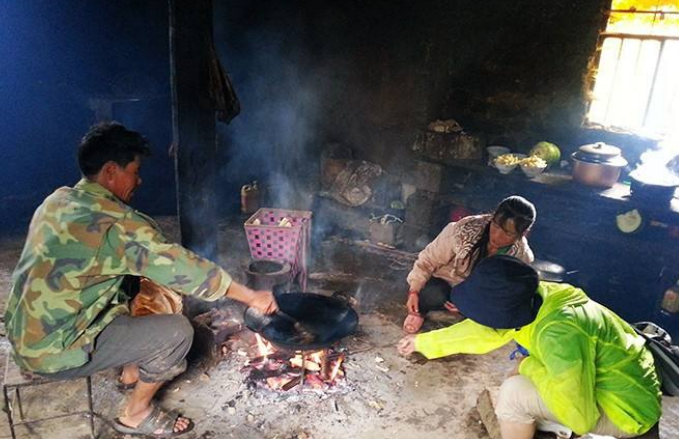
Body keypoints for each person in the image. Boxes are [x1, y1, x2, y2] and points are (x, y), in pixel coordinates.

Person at [4, 121, 278, 437]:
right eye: (134, 170)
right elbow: (181, 266)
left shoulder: (58, 201)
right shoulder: (114, 224)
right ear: (110, 171)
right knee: (176, 331)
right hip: (54, 350)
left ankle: (131, 372)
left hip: (24, 333)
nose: (139, 179)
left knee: (138, 282)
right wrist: (251, 296)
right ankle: (135, 413)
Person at [397, 255, 662, 439]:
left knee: (513, 391)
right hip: (620, 384)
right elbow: (485, 331)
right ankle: (550, 424)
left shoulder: (559, 334)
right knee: (520, 376)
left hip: (628, 411)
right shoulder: (536, 296)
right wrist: (424, 342)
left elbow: (581, 417)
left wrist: (530, 366)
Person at [403, 195, 536, 334]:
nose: (497, 236)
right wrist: (414, 290)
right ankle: (421, 312)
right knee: (432, 294)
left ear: (523, 233)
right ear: (492, 218)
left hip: (477, 298)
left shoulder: (521, 257)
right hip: (447, 285)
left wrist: (472, 306)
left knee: (494, 318)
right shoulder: (461, 231)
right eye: (495, 226)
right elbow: (428, 260)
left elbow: (506, 295)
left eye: (508, 233)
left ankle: (466, 317)